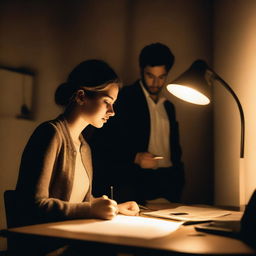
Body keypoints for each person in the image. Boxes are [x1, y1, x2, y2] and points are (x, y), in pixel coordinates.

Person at [14, 59, 139, 255]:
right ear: (81, 96)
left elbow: (79, 200)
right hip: (48, 249)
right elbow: (34, 206)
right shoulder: (50, 134)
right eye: (107, 102)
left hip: (73, 243)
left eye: (113, 104)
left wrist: (115, 207)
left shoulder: (85, 147)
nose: (112, 112)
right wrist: (91, 209)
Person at [90, 43, 185, 205]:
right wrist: (135, 158)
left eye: (161, 77)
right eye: (150, 75)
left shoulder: (168, 107)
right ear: (141, 71)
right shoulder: (124, 98)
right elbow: (103, 142)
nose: (156, 82)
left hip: (168, 182)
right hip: (135, 182)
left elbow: (175, 149)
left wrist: (178, 177)